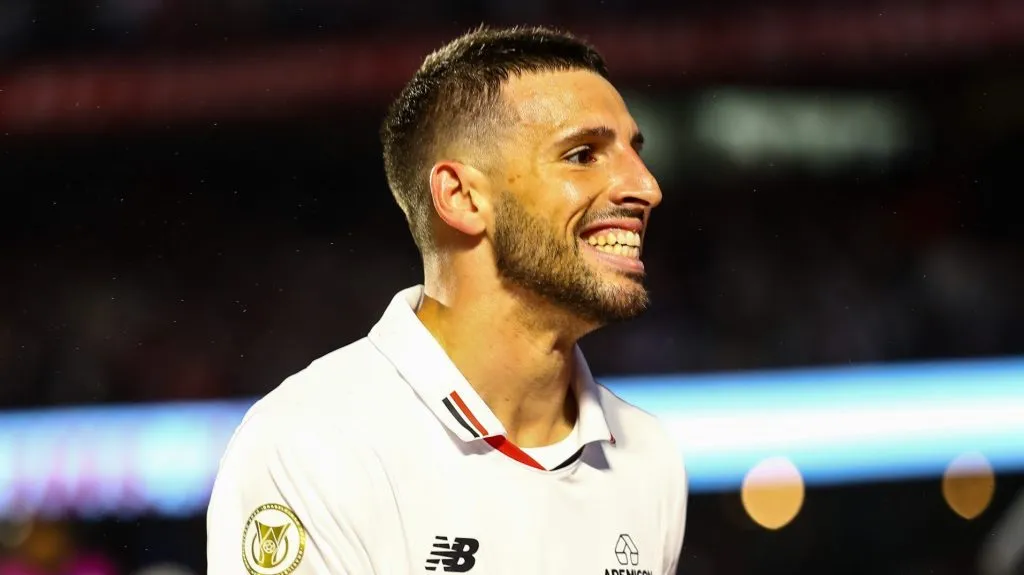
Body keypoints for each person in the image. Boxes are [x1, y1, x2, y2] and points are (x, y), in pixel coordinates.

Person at [207, 25, 688, 575]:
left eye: (634, 151)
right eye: (583, 155)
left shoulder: (649, 457)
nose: (646, 186)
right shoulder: (310, 444)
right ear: (460, 197)